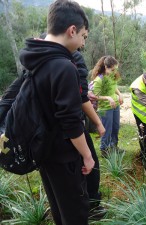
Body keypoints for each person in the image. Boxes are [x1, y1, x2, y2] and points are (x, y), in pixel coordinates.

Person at [19, 1, 93, 224]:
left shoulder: (35, 58)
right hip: (64, 155)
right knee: (75, 212)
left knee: (59, 207)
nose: (81, 44)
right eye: (83, 36)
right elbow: (70, 121)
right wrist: (87, 155)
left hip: (43, 150)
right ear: (72, 30)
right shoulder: (63, 65)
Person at [72, 49, 107, 218]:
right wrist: (98, 123)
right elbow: (82, 98)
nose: (84, 42)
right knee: (90, 165)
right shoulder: (72, 60)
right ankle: (90, 206)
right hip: (72, 126)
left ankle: (74, 207)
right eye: (83, 36)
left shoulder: (37, 58)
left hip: (47, 133)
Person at [89, 56, 123, 157]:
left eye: (116, 69)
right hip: (105, 108)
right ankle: (104, 150)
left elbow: (114, 86)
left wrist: (120, 94)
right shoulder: (99, 80)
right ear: (105, 67)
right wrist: (108, 98)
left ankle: (113, 147)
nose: (114, 72)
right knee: (107, 129)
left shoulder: (112, 76)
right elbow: (93, 96)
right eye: (112, 69)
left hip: (115, 106)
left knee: (115, 127)